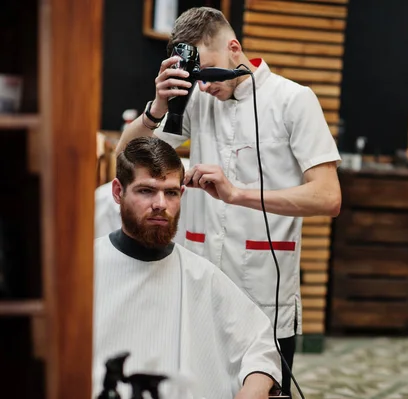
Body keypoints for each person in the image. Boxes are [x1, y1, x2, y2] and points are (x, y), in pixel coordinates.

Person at [115, 7, 342, 394]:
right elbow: (125, 161)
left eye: (210, 71)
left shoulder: (293, 100)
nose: (204, 86)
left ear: (234, 48)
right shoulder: (197, 101)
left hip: (263, 294)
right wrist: (157, 107)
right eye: (196, 77)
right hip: (195, 291)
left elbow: (328, 197)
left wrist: (238, 195)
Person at [93, 137, 282, 399]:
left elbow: (260, 345)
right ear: (118, 192)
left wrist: (253, 389)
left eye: (170, 192)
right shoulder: (87, 267)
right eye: (146, 190)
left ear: (181, 195)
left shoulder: (200, 275)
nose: (160, 204)